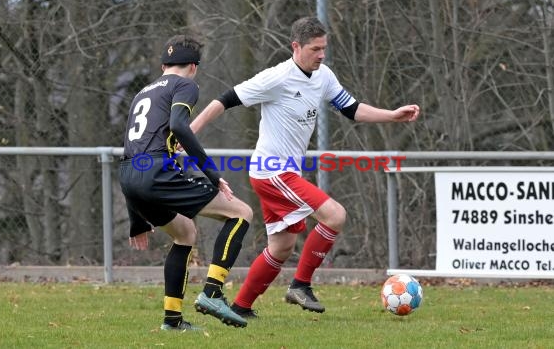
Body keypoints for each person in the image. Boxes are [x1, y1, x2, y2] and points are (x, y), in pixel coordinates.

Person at [188, 17, 421, 318]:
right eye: (315, 49)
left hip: (283, 173)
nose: (322, 54)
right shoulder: (276, 77)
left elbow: (351, 109)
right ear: (296, 47)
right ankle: (300, 285)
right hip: (272, 171)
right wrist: (188, 135)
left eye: (324, 48)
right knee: (335, 215)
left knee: (282, 247)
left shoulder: (323, 76)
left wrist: (392, 115)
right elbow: (223, 100)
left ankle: (241, 306)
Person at [118, 35, 252, 330]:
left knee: (185, 233)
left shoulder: (142, 92)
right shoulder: (186, 84)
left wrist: (136, 219)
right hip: (155, 172)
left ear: (163, 65)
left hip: (130, 175)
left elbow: (131, 152)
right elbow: (180, 125)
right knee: (241, 213)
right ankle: (213, 292)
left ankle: (173, 320)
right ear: (194, 66)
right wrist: (213, 175)